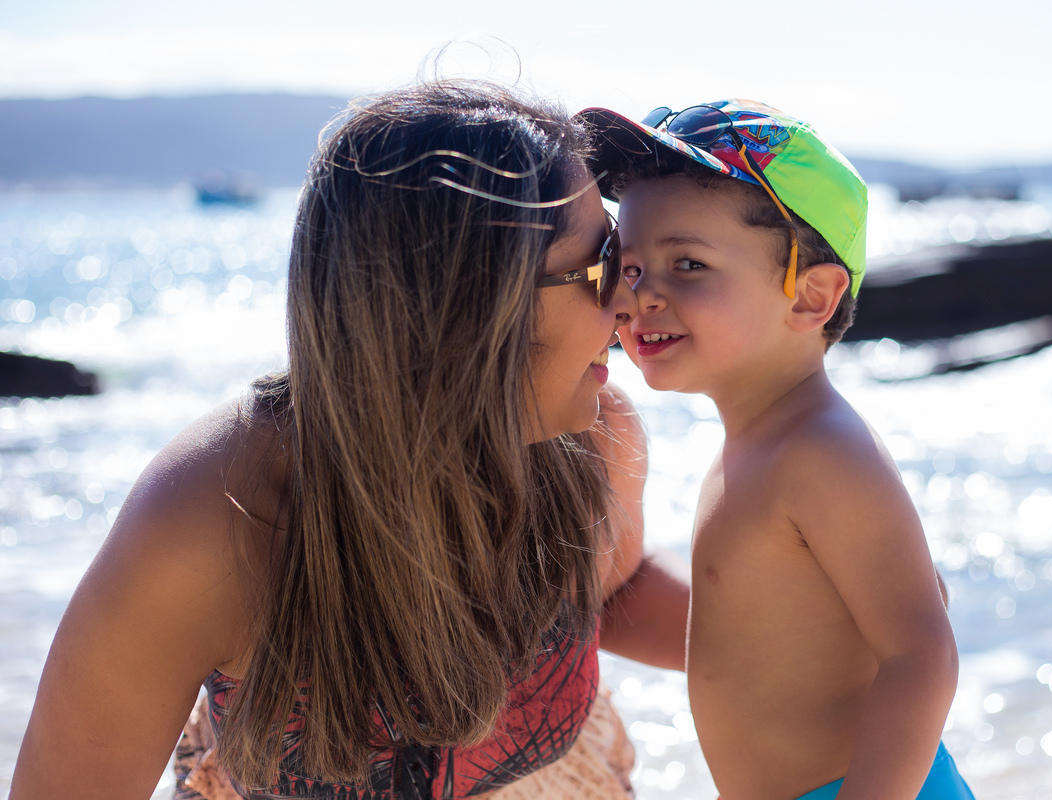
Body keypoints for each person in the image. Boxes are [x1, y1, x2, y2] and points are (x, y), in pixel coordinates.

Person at [12, 81, 690, 800]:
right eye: (602, 265)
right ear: (470, 301)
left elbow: (615, 589)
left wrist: (798, 635)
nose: (629, 298)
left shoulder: (592, 437)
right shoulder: (215, 520)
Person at [578, 100, 973, 800]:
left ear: (811, 297)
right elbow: (755, 646)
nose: (641, 298)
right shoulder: (757, 445)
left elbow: (922, 655)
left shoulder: (822, 449)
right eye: (630, 268)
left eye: (688, 264)